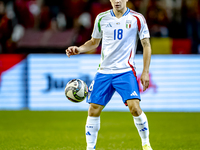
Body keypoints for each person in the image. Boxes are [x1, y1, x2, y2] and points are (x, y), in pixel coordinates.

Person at [66, 0, 153, 150]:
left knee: (135, 108)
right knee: (93, 109)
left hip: (125, 71)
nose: (117, 1)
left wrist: (145, 71)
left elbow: (146, 45)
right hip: (104, 72)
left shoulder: (137, 18)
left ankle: (146, 144)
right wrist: (79, 49)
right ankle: (90, 148)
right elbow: (94, 42)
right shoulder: (101, 18)